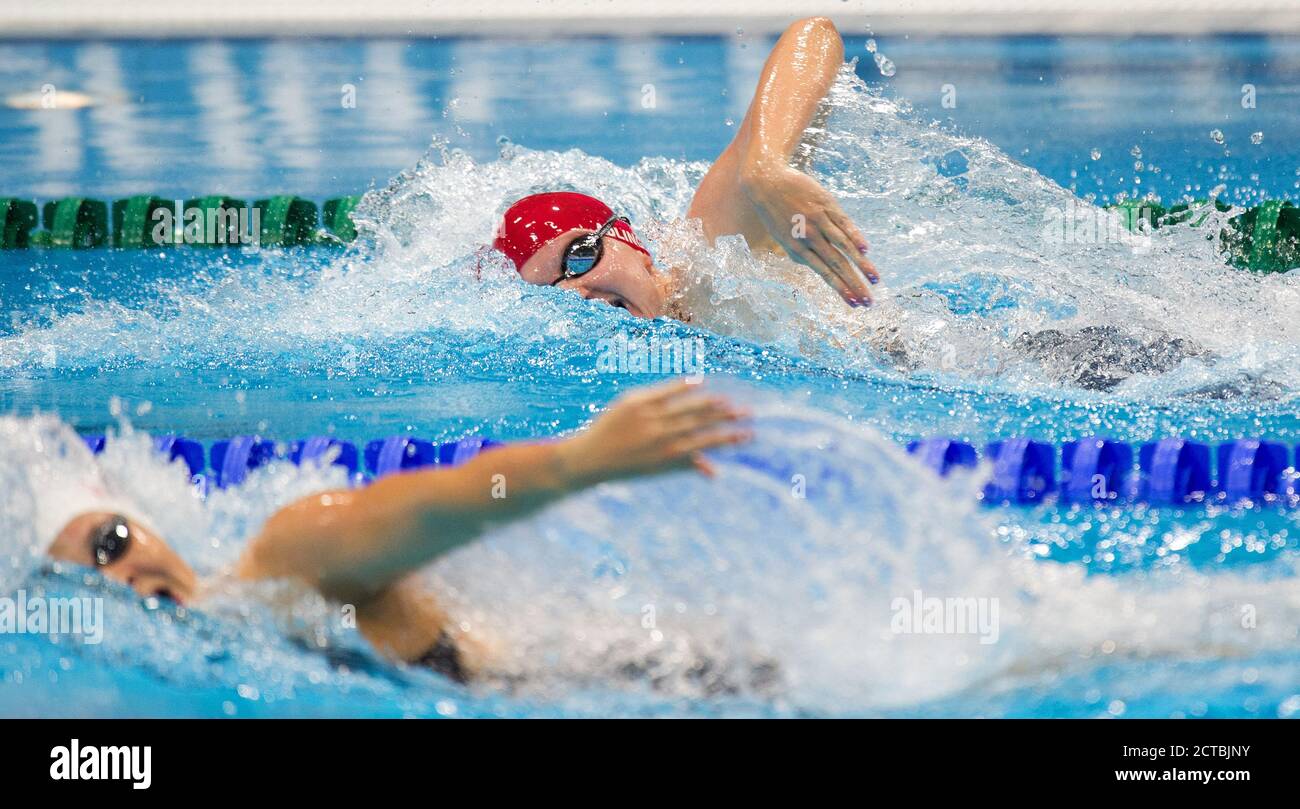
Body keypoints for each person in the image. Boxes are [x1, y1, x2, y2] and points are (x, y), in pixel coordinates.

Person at [44, 380, 751, 682]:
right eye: (80, 576)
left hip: (675, 683)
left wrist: (577, 462)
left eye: (109, 543)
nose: (117, 576)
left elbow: (426, 508)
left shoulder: (282, 562)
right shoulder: (216, 644)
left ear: (146, 522)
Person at [492, 17, 879, 319]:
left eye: (578, 256)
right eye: (549, 294)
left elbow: (814, 36)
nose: (576, 294)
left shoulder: (714, 266)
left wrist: (764, 168)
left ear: (631, 241)